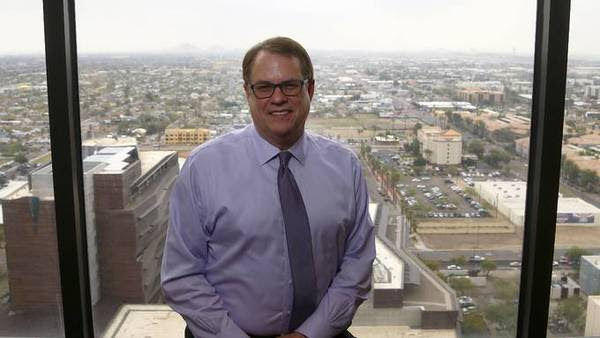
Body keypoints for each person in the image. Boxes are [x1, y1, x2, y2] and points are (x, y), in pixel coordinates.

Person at [161, 36, 375, 338]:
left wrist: (310, 333)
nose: (277, 98)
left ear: (309, 89)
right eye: (264, 87)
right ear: (247, 93)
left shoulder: (345, 167)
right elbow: (182, 276)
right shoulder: (203, 169)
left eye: (290, 85)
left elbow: (358, 263)